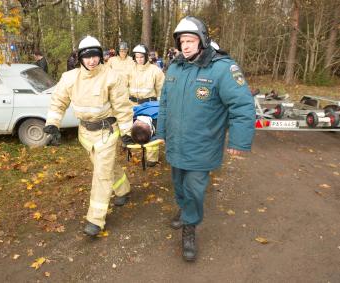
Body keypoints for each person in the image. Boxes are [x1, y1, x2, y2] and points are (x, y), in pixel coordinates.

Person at [156, 16, 255, 262]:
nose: (186, 46)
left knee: (195, 189)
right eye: (182, 41)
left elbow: (242, 105)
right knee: (179, 185)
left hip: (203, 146)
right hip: (176, 144)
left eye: (191, 40)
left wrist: (238, 142)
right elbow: (165, 103)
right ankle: (184, 208)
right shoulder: (175, 67)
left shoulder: (222, 68)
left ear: (202, 40)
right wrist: (161, 131)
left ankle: (190, 228)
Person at [43, 36, 134, 237]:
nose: (92, 60)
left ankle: (95, 219)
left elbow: (123, 108)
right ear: (80, 58)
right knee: (106, 167)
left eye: (95, 56)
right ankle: (124, 189)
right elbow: (58, 102)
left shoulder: (112, 77)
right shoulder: (69, 78)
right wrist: (52, 124)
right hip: (85, 134)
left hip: (107, 133)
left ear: (100, 57)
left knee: (101, 174)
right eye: (87, 56)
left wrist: (127, 133)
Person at [127, 44, 164, 167]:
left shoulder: (155, 70)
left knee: (152, 130)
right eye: (137, 57)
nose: (139, 59)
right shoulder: (130, 70)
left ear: (147, 56)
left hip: (150, 105)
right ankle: (131, 147)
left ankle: (152, 158)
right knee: (135, 128)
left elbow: (161, 89)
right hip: (133, 104)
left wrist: (161, 105)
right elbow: (123, 87)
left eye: (142, 57)